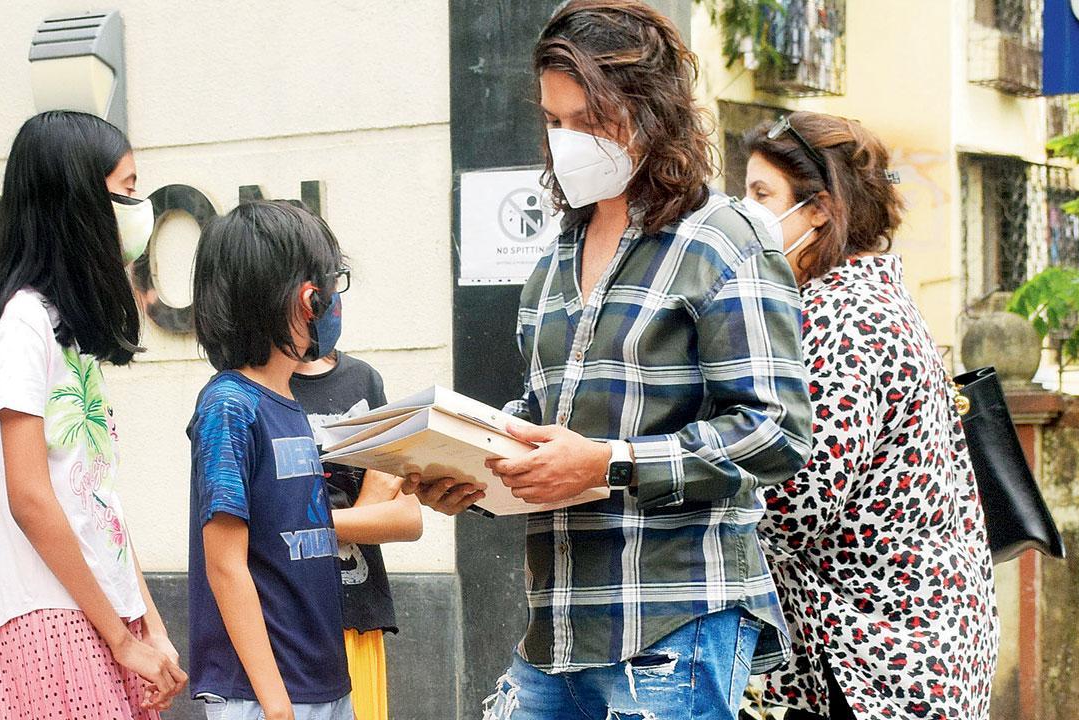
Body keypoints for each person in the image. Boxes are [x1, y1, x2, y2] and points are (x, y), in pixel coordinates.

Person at [404, 2, 813, 718]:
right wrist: (476, 467)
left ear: (652, 111)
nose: (567, 142)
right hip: (553, 632)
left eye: (588, 121)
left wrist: (611, 462)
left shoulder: (725, 238)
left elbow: (776, 433)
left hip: (671, 628)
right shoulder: (554, 261)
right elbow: (547, 423)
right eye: (554, 122)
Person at [743, 111, 998, 719]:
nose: (742, 209)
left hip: (881, 657)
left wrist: (650, 481)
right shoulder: (860, 297)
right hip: (894, 640)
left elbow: (799, 502)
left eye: (759, 194)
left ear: (820, 210)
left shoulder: (846, 318)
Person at [0, 110, 186, 719]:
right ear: (78, 200)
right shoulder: (19, 324)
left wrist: (150, 627)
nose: (139, 208)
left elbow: (97, 502)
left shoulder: (61, 331)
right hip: (50, 616)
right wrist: (121, 637)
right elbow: (30, 497)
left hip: (101, 612)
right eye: (127, 189)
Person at [186, 201, 353, 720]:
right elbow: (225, 563)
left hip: (319, 684)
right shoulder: (230, 407)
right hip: (265, 698)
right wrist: (276, 704)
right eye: (330, 284)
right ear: (309, 298)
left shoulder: (285, 403)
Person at [291, 343, 424, 720]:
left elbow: (408, 519)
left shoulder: (362, 380)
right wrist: (369, 504)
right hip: (288, 621)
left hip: (358, 616)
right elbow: (258, 531)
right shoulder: (248, 389)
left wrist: (310, 530)